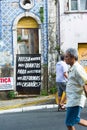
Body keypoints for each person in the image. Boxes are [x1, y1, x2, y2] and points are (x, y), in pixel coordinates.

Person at [64, 48, 87, 130]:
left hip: (76, 100)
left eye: (66, 57)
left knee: (69, 122)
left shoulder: (77, 69)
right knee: (74, 120)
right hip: (72, 100)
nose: (65, 59)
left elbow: (85, 84)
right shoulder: (72, 68)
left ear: (73, 57)